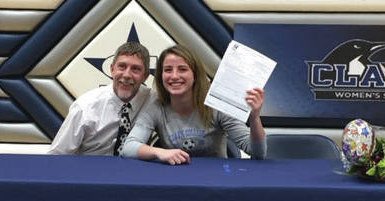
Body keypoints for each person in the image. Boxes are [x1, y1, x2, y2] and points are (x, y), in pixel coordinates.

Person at [121, 44, 266, 165]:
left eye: (182, 69)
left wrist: (254, 118)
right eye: (168, 70)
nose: (174, 76)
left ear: (195, 75)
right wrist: (160, 153)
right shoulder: (156, 107)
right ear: (160, 76)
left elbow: (257, 152)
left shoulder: (216, 105)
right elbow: (128, 148)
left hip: (216, 180)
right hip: (176, 179)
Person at [48, 42, 153, 155]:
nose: (127, 75)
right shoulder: (85, 108)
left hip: (135, 170)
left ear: (145, 76)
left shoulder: (153, 101)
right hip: (89, 170)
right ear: (112, 69)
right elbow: (57, 156)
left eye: (135, 69)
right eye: (122, 66)